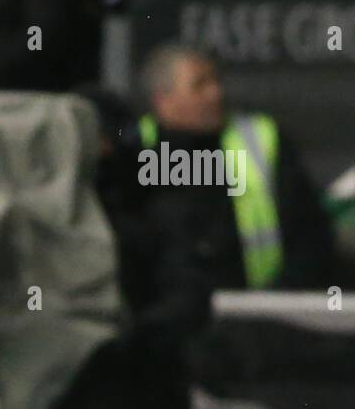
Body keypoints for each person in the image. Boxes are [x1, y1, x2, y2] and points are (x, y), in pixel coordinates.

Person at [135, 43, 336, 291]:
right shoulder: (136, 149)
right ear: (163, 101)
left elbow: (311, 235)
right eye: (200, 85)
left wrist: (278, 298)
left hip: (252, 308)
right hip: (163, 315)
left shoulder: (260, 139)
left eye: (216, 81)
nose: (216, 93)